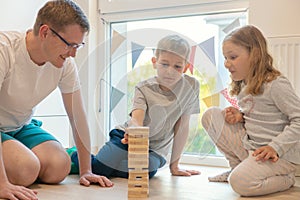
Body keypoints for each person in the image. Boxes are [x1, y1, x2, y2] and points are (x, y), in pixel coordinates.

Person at [0, 1, 113, 199]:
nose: (74, 53)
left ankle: (58, 154)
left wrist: (86, 170)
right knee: (25, 169)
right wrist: (2, 184)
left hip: (20, 125)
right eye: (69, 44)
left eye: (78, 45)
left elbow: (77, 116)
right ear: (45, 32)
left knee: (60, 167)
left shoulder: (65, 64)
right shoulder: (5, 50)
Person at [69, 34, 201, 179]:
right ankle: (75, 155)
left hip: (154, 149)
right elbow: (137, 119)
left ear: (186, 67)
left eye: (177, 66)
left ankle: (111, 162)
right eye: (164, 64)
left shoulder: (191, 86)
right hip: (127, 137)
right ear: (154, 62)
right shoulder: (143, 88)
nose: (170, 70)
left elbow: (182, 127)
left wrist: (174, 165)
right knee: (100, 169)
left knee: (146, 171)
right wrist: (133, 131)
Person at [201, 25, 300, 196]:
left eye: (232, 57)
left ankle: (288, 178)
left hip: (280, 154)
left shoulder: (275, 84)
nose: (226, 63)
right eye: (225, 58)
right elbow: (264, 115)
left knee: (240, 183)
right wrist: (241, 116)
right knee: (211, 116)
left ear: (254, 56)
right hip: (254, 148)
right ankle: (236, 169)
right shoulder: (244, 85)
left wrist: (275, 147)